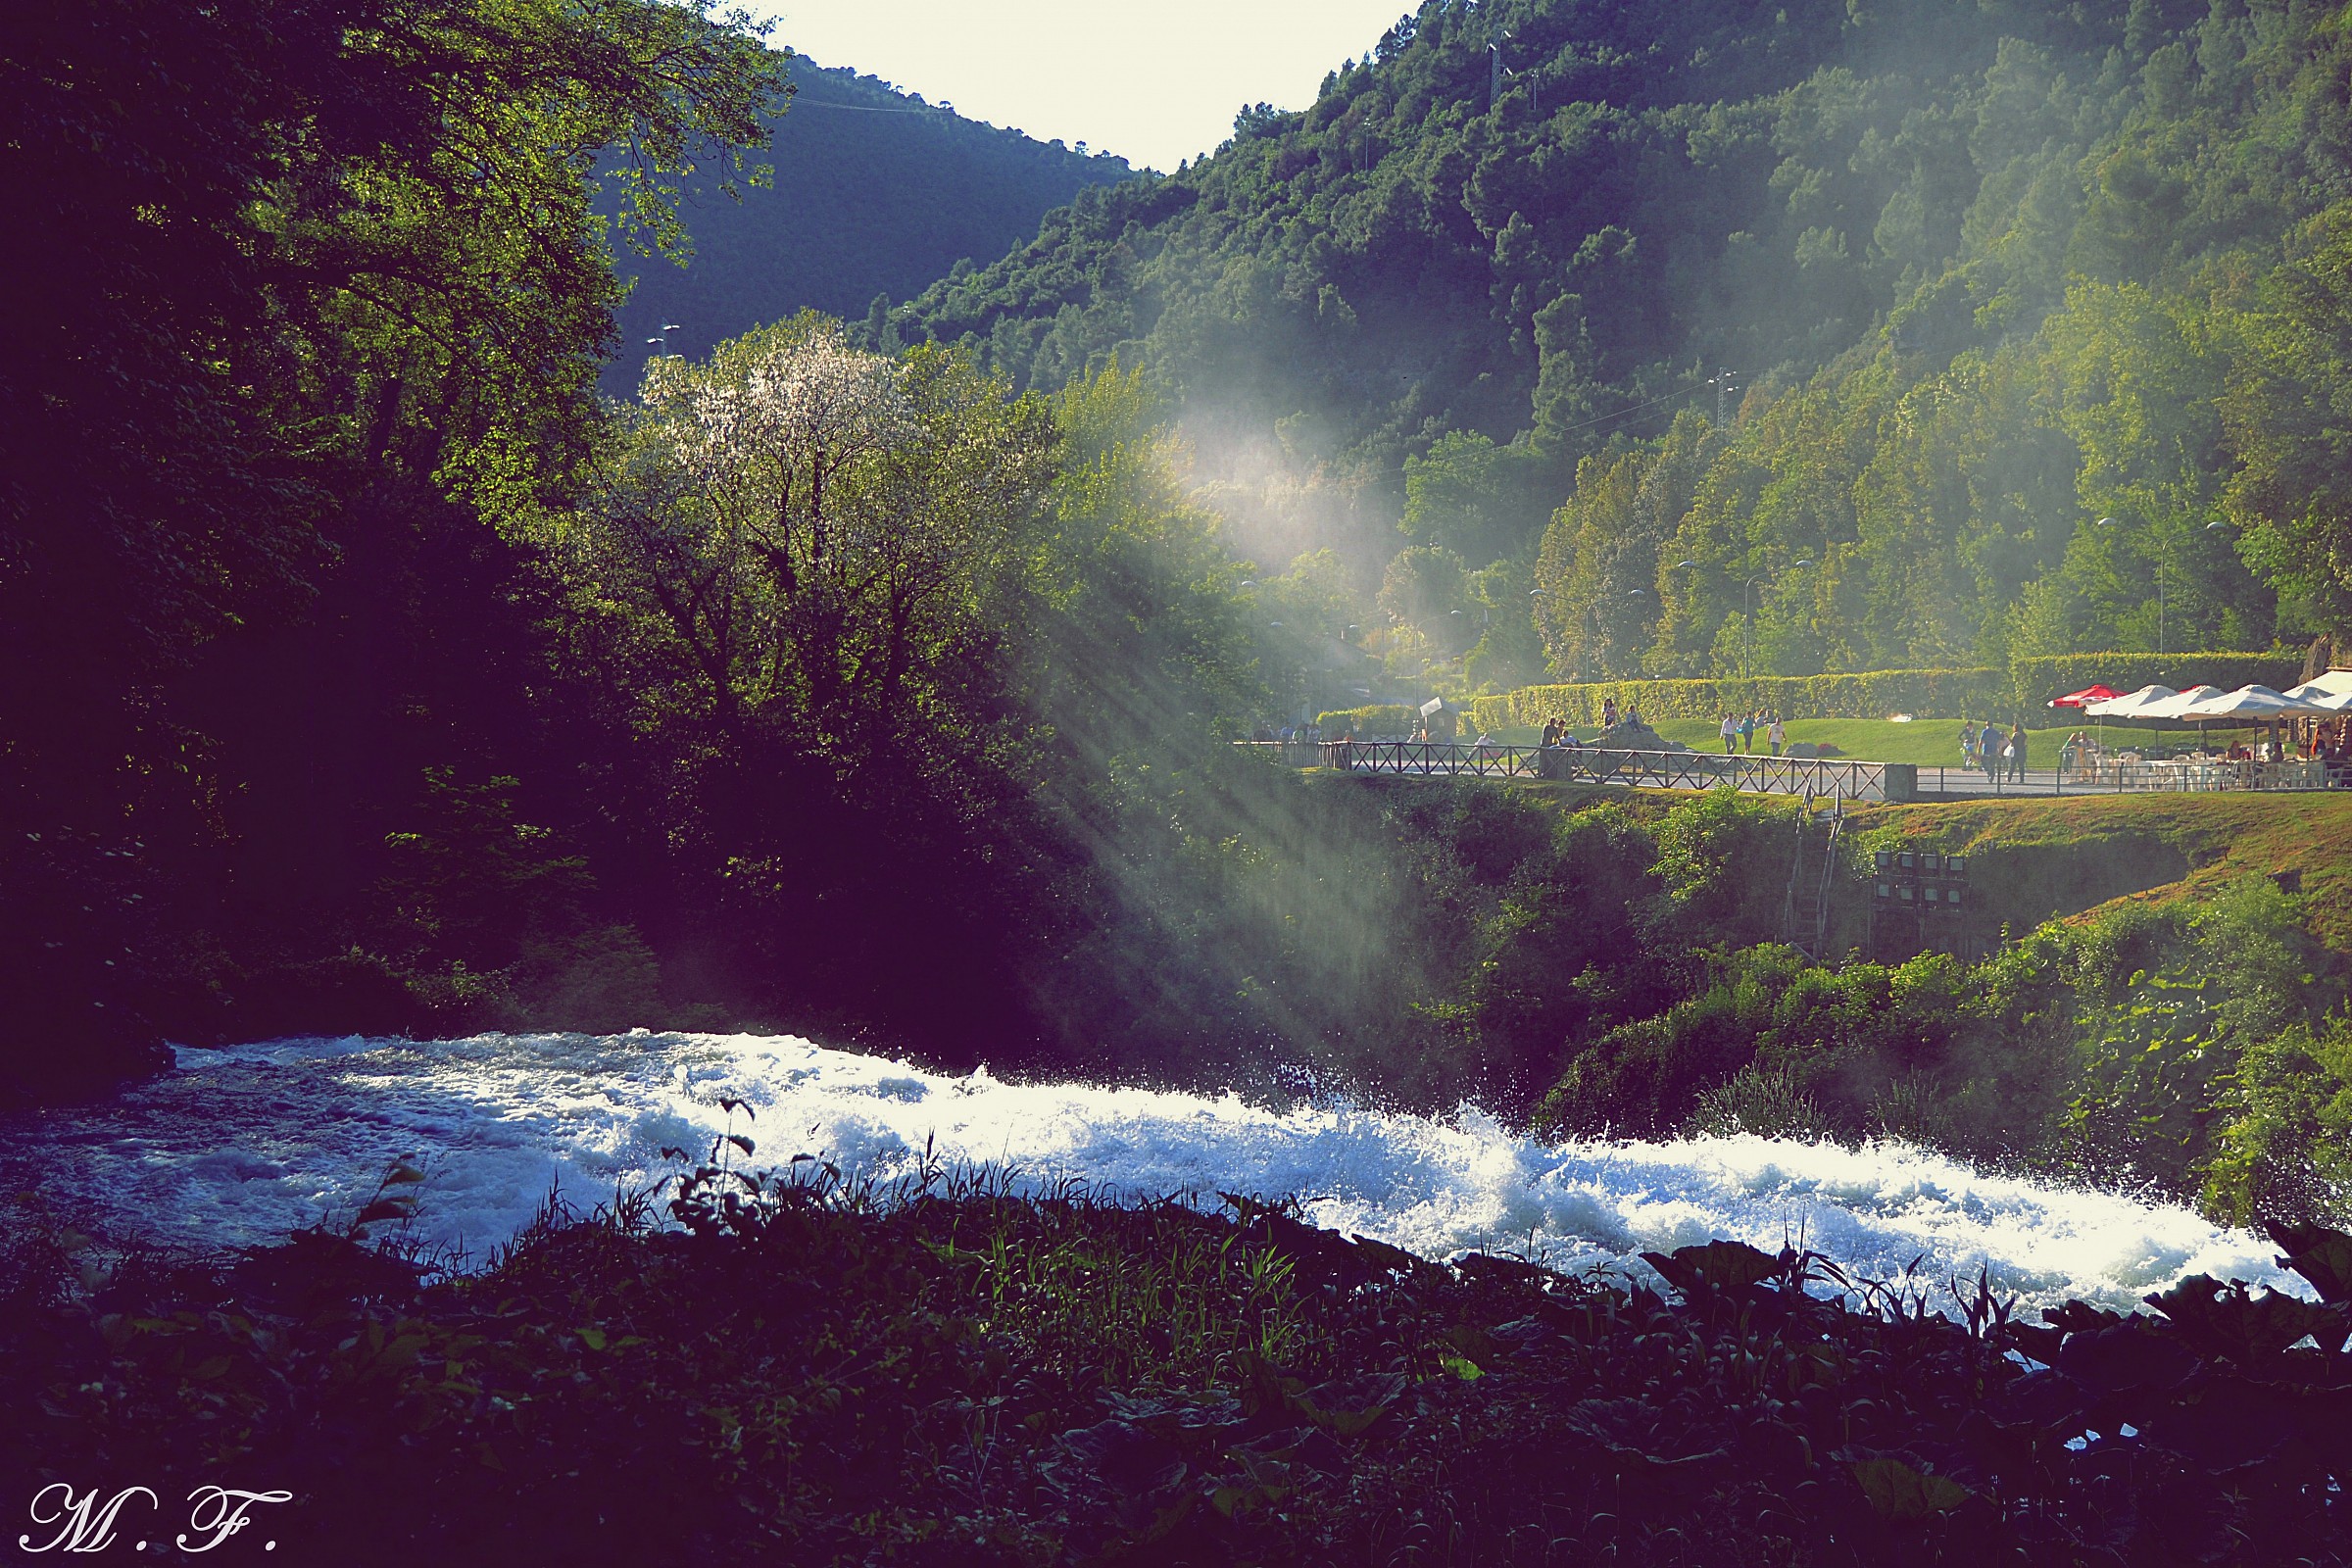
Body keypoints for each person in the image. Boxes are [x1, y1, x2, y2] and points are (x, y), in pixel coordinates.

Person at [1979, 718, 2001, 782]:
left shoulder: (1985, 731)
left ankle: (1989, 773)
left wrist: (1978, 750)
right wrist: (1999, 750)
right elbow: (1999, 742)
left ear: (1986, 725)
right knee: (1992, 764)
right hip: (1994, 750)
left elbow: (1981, 741)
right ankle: (1992, 773)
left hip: (1986, 750)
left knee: (1985, 763)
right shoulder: (1996, 732)